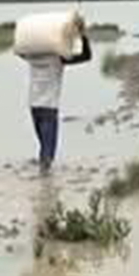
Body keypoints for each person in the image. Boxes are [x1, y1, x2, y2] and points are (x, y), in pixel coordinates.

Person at [26, 29, 93, 171]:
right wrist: (82, 36)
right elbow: (86, 56)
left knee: (44, 147)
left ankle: (43, 176)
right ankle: (45, 179)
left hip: (33, 107)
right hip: (49, 108)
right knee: (48, 150)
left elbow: (19, 50)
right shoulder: (57, 59)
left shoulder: (32, 57)